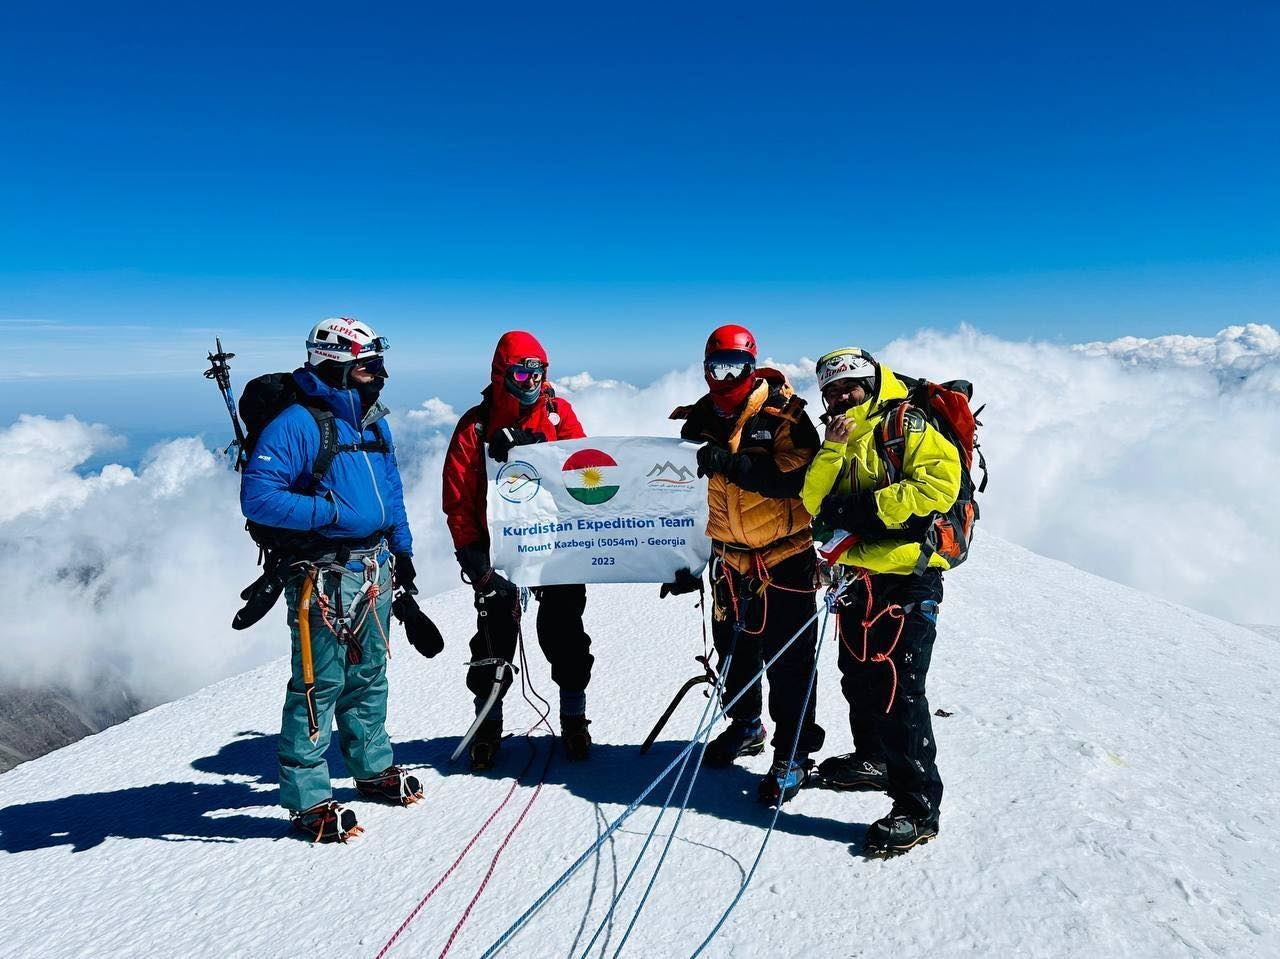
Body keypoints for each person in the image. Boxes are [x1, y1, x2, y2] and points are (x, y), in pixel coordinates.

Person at [241, 317, 422, 843]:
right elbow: (260, 495)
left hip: (374, 567)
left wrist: (403, 549)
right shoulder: (299, 423)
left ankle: (372, 768)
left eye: (378, 364)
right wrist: (328, 512)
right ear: (334, 362)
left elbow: (391, 492)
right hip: (324, 574)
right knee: (320, 684)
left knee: (369, 676)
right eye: (366, 365)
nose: (378, 375)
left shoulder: (372, 421)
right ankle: (309, 799)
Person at [800, 346, 961, 857]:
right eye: (831, 390)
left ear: (870, 383)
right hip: (856, 574)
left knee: (900, 688)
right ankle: (872, 759)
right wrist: (830, 450)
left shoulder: (904, 422)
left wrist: (865, 510)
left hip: (907, 577)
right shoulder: (841, 434)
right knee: (859, 672)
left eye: (849, 386)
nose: (841, 396)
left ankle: (917, 809)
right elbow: (810, 501)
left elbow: (940, 482)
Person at [664, 324, 824, 805]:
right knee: (734, 651)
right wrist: (682, 556)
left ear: (752, 367)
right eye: (718, 366)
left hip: (785, 559)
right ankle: (746, 724)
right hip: (730, 561)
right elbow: (677, 495)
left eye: (736, 366)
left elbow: (798, 479)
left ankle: (792, 754)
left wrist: (730, 463)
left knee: (789, 662)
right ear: (706, 368)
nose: (726, 376)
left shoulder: (784, 417)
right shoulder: (698, 420)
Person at [442, 331, 594, 769]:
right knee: (493, 641)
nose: (529, 380)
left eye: (537, 371)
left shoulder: (558, 413)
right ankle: (488, 727)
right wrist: (470, 551)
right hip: (498, 553)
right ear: (500, 373)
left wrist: (534, 450)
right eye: (519, 371)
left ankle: (574, 719)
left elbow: (580, 465)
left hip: (557, 547)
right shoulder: (475, 425)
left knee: (565, 635)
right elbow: (459, 494)